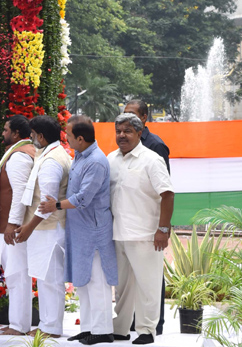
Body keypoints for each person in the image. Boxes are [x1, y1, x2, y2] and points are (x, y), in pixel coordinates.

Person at [38, 115, 117, 346]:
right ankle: (89, 328)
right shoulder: (80, 155)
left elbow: (84, 197)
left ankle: (103, 331)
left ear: (80, 138)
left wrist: (57, 205)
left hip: (94, 231)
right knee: (83, 280)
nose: (66, 139)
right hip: (80, 230)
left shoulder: (95, 161)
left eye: (69, 136)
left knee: (97, 281)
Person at [109, 113, 174, 345]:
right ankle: (121, 328)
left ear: (139, 133)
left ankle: (146, 330)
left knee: (149, 284)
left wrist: (163, 229)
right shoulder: (111, 159)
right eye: (118, 131)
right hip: (118, 234)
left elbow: (167, 194)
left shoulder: (151, 159)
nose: (121, 135)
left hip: (147, 235)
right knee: (122, 285)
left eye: (127, 131)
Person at [13, 114, 72, 341]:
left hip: (48, 227)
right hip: (47, 227)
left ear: (41, 136)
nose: (31, 139)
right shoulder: (51, 154)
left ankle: (51, 327)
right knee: (46, 278)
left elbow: (47, 203)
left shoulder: (51, 162)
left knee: (50, 279)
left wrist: (28, 226)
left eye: (32, 135)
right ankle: (49, 324)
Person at [0, 115, 36, 336]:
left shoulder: (19, 156)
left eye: (5, 130)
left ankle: (19, 326)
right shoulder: (22, 151)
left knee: (16, 274)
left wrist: (13, 224)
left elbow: (20, 194)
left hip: (12, 227)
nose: (2, 133)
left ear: (16, 134)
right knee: (16, 274)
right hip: (11, 225)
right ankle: (18, 324)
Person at [124, 98, 169, 337]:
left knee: (151, 276)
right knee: (133, 276)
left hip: (149, 223)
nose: (127, 119)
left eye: (132, 115)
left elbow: (165, 190)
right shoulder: (124, 145)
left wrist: (162, 227)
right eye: (124, 114)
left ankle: (155, 324)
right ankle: (134, 322)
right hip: (129, 223)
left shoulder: (155, 145)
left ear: (144, 118)